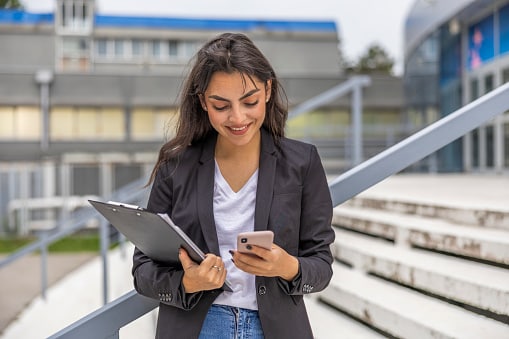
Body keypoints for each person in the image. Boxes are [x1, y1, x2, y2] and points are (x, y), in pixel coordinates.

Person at [132, 32, 335, 339]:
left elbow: (321, 265)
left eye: (249, 101)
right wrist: (188, 284)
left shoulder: (302, 162)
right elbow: (143, 271)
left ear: (267, 90)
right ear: (203, 102)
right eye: (221, 106)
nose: (237, 118)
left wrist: (287, 266)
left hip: (275, 329)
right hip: (196, 328)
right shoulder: (176, 166)